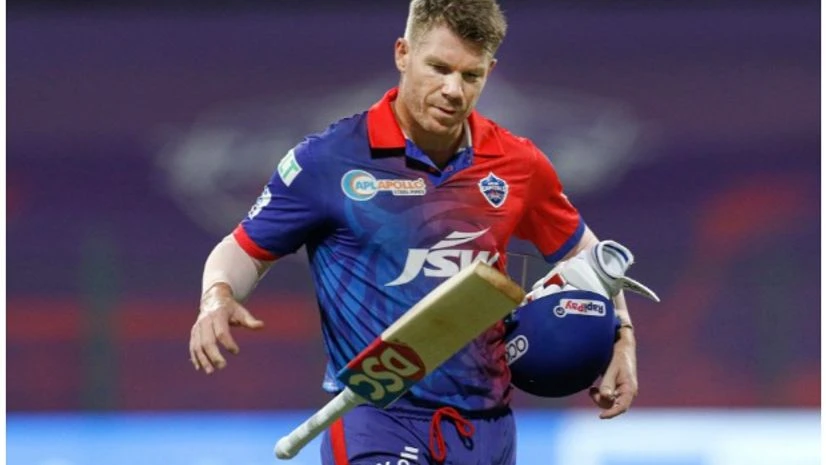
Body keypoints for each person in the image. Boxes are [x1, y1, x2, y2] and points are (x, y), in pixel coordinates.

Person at [189, 1, 639, 463]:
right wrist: (217, 298)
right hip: (375, 419)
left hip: (488, 430)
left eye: (471, 75)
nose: (453, 90)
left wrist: (621, 338)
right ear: (403, 53)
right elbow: (242, 250)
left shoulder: (518, 164)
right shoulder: (328, 160)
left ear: (490, 71)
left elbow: (589, 260)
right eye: (439, 68)